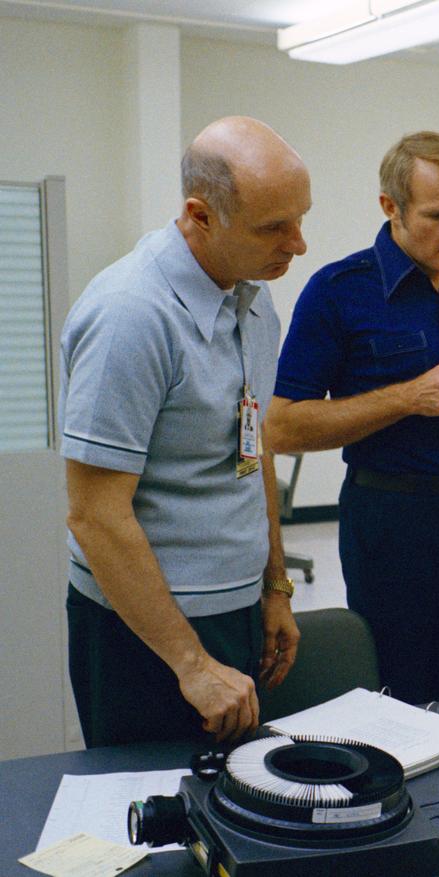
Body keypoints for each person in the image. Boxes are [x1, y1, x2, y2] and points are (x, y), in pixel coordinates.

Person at [61, 116, 309, 747]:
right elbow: (95, 516)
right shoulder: (131, 316)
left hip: (237, 613)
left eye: (300, 218)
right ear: (201, 215)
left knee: (231, 811)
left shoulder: (253, 300)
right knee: (154, 819)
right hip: (146, 635)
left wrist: (274, 586)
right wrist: (192, 664)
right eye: (274, 228)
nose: (298, 244)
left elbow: (254, 449)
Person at [269, 131, 439, 705]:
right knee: (396, 692)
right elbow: (282, 425)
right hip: (392, 520)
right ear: (390, 207)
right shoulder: (338, 291)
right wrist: (406, 398)